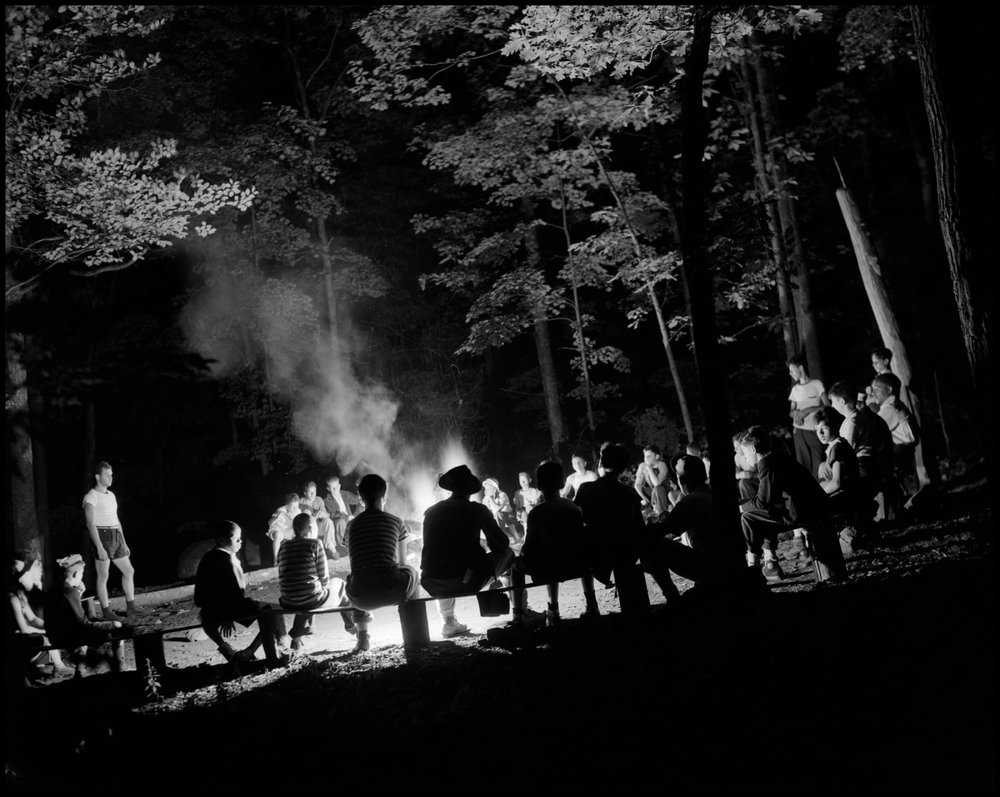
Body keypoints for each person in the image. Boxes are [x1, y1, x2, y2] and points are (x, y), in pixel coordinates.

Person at [737, 427, 845, 582]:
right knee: (761, 515)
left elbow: (762, 501)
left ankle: (752, 569)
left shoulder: (766, 464)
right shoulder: (778, 457)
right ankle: (766, 564)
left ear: (753, 449)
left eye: (744, 452)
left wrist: (740, 507)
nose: (745, 457)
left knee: (747, 518)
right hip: (813, 506)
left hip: (803, 512)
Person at [420, 465, 514, 639]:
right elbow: (500, 544)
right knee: (509, 554)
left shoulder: (430, 512)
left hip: (431, 581)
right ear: (470, 489)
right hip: (466, 581)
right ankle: (519, 611)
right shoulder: (476, 510)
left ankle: (448, 622)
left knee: (444, 563)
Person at [641, 455, 746, 598]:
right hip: (734, 563)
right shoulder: (714, 494)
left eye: (677, 475)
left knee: (650, 545)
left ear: (682, 480)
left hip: (712, 567)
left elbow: (661, 531)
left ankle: (672, 597)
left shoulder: (692, 501)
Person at [511, 461, 600, 627]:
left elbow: (529, 549)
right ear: (561, 483)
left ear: (539, 484)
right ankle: (592, 605)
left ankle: (522, 615)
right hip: (576, 565)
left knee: (516, 567)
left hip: (548, 569)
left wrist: (522, 551)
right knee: (580, 550)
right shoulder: (574, 508)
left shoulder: (537, 512)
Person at [194, 521, 289, 663]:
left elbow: (199, 597)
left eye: (240, 537)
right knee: (275, 611)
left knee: (204, 616)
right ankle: (263, 651)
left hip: (209, 610)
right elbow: (238, 591)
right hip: (232, 607)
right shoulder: (229, 559)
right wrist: (228, 615)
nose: (240, 541)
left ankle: (226, 649)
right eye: (236, 538)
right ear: (221, 540)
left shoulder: (207, 557)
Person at [344, 474, 420, 652]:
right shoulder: (395, 522)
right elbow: (401, 563)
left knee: (357, 574)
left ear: (361, 499)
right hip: (392, 591)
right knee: (412, 571)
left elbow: (355, 559)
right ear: (384, 496)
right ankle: (415, 632)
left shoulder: (351, 526)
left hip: (359, 597)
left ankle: (363, 637)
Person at [279, 513, 365, 651]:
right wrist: (324, 590)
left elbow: (283, 574)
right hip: (311, 599)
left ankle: (296, 639)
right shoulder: (315, 544)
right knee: (340, 585)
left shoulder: (283, 546)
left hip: (287, 600)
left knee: (304, 592)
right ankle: (353, 628)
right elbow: (324, 577)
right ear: (311, 528)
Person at [82, 460, 148, 620]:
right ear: (98, 477)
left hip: (115, 535)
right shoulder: (91, 496)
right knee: (103, 575)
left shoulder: (111, 495)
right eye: (107, 475)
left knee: (129, 570)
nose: (111, 478)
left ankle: (131, 607)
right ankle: (106, 612)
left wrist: (123, 542)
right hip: (102, 535)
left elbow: (116, 519)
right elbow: (90, 524)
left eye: (111, 475)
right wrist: (99, 546)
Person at [43, 554, 128, 675]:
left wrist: (79, 593)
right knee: (117, 626)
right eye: (82, 573)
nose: (82, 576)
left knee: (92, 628)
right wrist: (105, 624)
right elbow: (82, 623)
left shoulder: (53, 590)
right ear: (76, 574)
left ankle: (80, 671)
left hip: (54, 635)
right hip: (69, 636)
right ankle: (120, 668)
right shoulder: (70, 592)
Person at [575, 443, 644, 588]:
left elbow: (578, 520)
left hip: (598, 551)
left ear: (601, 463)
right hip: (627, 550)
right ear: (622, 468)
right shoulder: (629, 492)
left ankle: (592, 602)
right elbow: (640, 525)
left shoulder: (586, 489)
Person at [8, 553, 75, 683]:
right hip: (16, 640)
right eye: (35, 570)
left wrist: (50, 625)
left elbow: (32, 618)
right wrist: (46, 631)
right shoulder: (13, 598)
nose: (39, 573)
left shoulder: (21, 594)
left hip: (26, 637)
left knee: (53, 633)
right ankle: (56, 668)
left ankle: (49, 669)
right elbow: (24, 629)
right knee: (46, 638)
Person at [828, 381, 894, 513]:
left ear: (841, 401)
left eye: (833, 401)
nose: (831, 405)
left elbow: (846, 454)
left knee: (827, 476)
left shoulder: (852, 423)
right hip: (868, 466)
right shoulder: (858, 417)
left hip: (862, 470)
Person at [870, 372, 920, 503]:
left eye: (876, 389)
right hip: (904, 452)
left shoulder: (889, 409)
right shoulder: (895, 405)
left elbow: (872, 432)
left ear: (889, 389)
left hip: (900, 452)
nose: (873, 393)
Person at [787, 356, 828, 479]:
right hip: (798, 431)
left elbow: (827, 405)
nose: (790, 373)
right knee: (802, 465)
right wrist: (797, 414)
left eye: (792, 370)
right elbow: (791, 412)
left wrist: (809, 410)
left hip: (814, 430)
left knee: (818, 462)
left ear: (801, 368)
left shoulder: (816, 384)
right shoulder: (795, 389)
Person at [633, 444, 671, 519]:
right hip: (652, 492)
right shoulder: (642, 465)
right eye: (645, 456)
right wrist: (643, 497)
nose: (646, 459)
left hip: (664, 492)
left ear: (656, 457)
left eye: (649, 456)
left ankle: (662, 515)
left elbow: (657, 483)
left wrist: (649, 469)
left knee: (658, 489)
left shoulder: (662, 465)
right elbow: (637, 484)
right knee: (634, 491)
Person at [299, 481, 336, 558]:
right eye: (310, 493)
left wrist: (324, 514)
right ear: (305, 493)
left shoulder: (319, 499)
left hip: (319, 527)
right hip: (308, 530)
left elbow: (327, 515)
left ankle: (332, 548)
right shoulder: (300, 502)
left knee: (328, 521)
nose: (313, 495)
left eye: (314, 492)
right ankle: (311, 553)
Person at [324, 476, 357, 558]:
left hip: (349, 519)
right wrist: (346, 517)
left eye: (336, 487)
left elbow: (355, 499)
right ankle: (343, 545)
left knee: (362, 507)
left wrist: (360, 495)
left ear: (339, 486)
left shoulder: (344, 494)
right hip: (338, 522)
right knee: (341, 522)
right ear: (328, 488)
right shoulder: (327, 499)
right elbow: (332, 514)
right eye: (332, 488)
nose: (335, 490)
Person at [482, 477, 519, 543]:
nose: (485, 491)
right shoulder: (487, 497)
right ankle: (502, 537)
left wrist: (490, 499)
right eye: (485, 489)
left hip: (507, 514)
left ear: (494, 489)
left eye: (487, 489)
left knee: (498, 515)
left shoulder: (502, 495)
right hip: (496, 515)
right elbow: (484, 507)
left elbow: (498, 508)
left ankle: (506, 537)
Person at [266, 492, 300, 565]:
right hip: (279, 529)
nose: (295, 509)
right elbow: (270, 522)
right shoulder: (280, 510)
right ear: (286, 505)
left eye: (297, 506)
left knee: (299, 533)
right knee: (277, 535)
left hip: (289, 531)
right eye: (293, 507)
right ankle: (275, 559)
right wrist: (279, 516)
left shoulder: (297, 511)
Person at [512, 471, 542, 538]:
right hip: (523, 513)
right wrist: (519, 511)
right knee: (524, 514)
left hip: (533, 511)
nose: (522, 482)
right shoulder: (517, 493)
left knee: (529, 509)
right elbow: (517, 505)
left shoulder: (534, 491)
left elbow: (535, 503)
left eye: (524, 480)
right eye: (520, 480)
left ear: (530, 480)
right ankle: (527, 534)